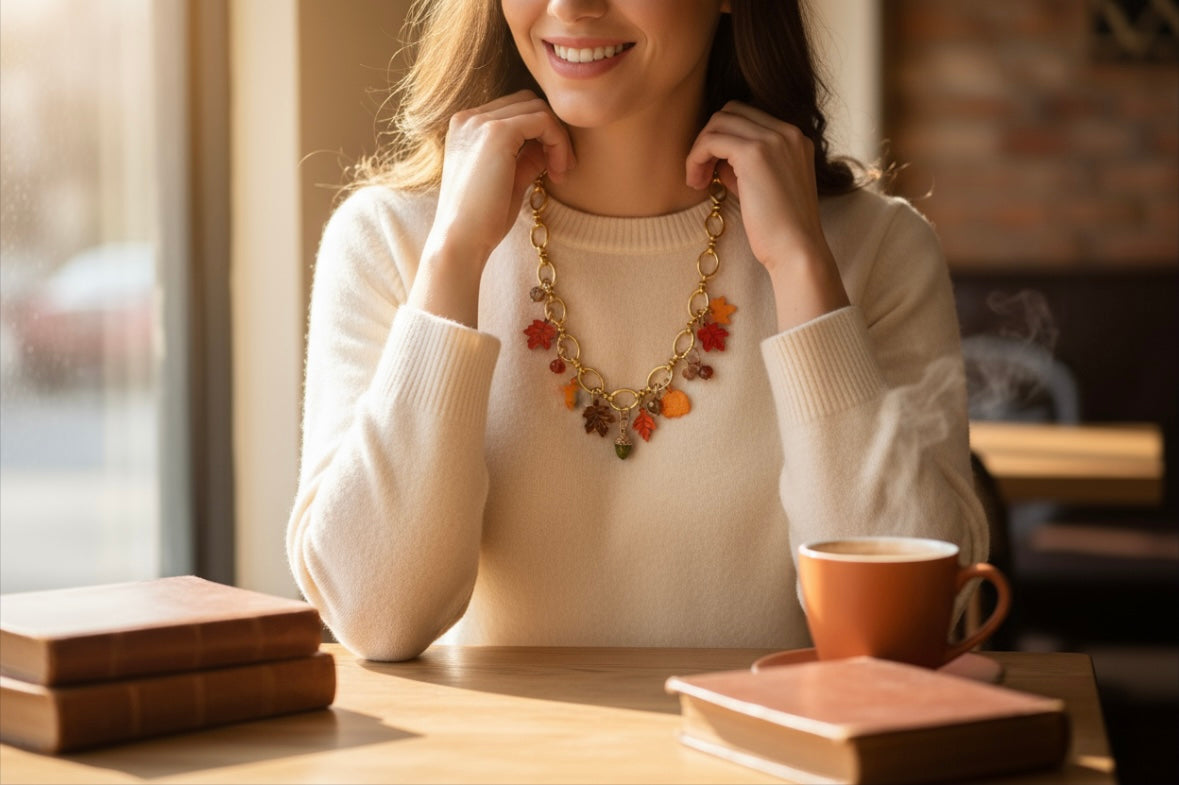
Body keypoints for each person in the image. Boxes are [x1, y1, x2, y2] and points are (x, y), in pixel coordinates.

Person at [286, 0, 989, 661]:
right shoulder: (390, 242)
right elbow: (372, 616)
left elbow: (907, 634)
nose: (573, 3)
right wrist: (454, 260)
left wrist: (802, 269)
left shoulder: (877, 249)